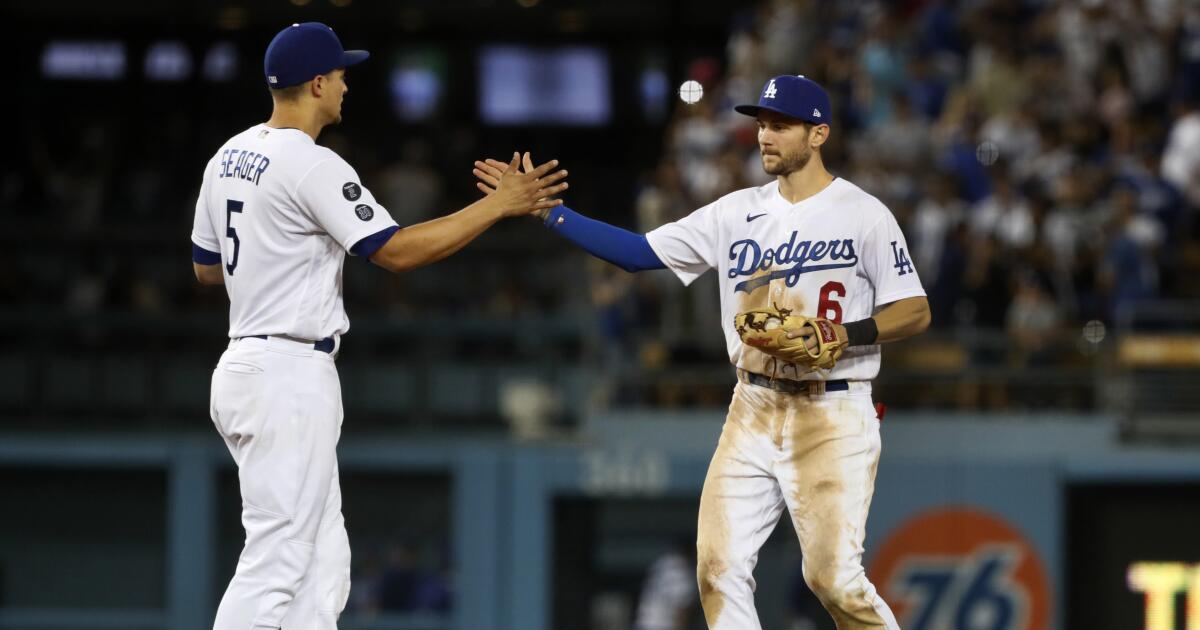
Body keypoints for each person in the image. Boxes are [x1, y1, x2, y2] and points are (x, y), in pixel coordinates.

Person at [475, 75, 929, 629]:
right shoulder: (733, 212)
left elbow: (914, 310)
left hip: (832, 407)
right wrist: (550, 212)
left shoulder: (863, 213)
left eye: (780, 125)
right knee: (718, 568)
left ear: (818, 134)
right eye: (761, 123)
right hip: (753, 404)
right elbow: (639, 253)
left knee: (832, 580)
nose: (765, 135)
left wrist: (845, 335)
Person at [189, 22, 566, 630]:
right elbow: (396, 252)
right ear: (316, 83)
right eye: (339, 73)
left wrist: (275, 253)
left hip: (246, 365)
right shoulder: (310, 164)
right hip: (286, 372)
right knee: (279, 556)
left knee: (324, 556)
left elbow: (207, 270)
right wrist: (498, 206)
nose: (345, 83)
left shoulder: (227, 155)